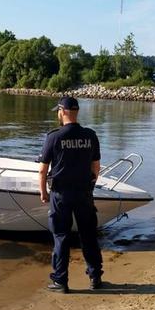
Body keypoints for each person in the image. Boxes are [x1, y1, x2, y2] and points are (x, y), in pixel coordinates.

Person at [38, 96, 103, 293]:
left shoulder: (54, 137)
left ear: (63, 111)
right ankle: (95, 278)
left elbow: (42, 170)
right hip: (84, 193)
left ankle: (61, 281)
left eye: (58, 111)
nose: (58, 114)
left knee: (61, 237)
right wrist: (89, 188)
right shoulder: (90, 135)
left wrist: (43, 192)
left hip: (61, 195)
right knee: (89, 236)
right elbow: (96, 167)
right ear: (76, 112)